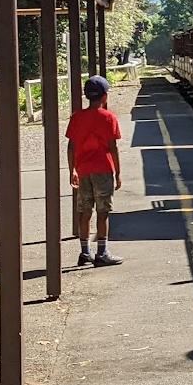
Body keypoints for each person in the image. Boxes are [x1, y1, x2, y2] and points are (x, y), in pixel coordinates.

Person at [65, 74, 123, 267]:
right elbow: (112, 147)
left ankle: (84, 252)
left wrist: (71, 170)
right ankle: (102, 252)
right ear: (104, 96)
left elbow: (71, 147)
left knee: (84, 211)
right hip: (104, 170)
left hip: (83, 170)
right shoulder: (109, 118)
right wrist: (118, 172)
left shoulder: (77, 117)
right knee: (103, 211)